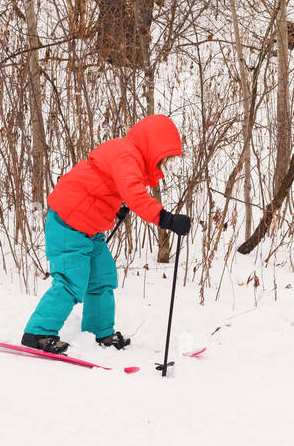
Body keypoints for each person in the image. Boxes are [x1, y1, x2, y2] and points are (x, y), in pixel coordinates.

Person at [21, 114, 191, 354]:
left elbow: (104, 181)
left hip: (89, 229)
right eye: (163, 158)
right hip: (69, 225)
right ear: (153, 146)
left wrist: (115, 205)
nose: (162, 165)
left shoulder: (128, 156)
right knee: (71, 281)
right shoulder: (126, 155)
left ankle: (97, 332)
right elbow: (134, 192)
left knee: (102, 277)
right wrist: (167, 219)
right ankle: (38, 332)